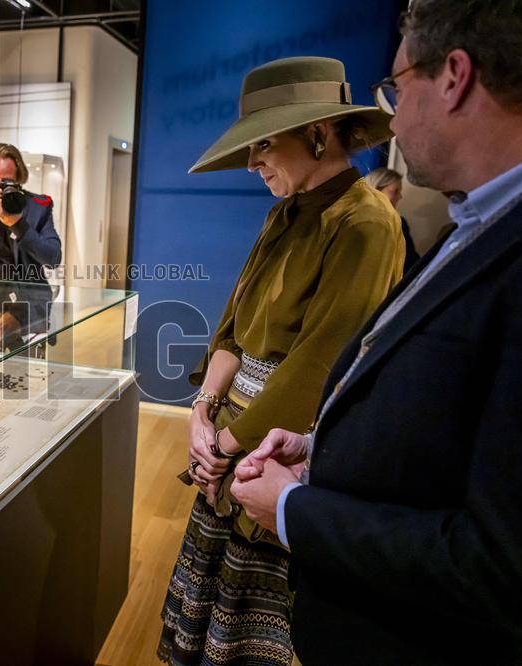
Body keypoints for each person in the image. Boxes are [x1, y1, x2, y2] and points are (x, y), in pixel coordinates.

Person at [230, 1, 522, 664]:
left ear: (453, 76)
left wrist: (293, 509)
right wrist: (320, 442)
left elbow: (507, 561)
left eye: (398, 87)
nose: (392, 118)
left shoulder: (383, 225)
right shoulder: (478, 225)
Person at [159, 57, 405, 666]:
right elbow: (233, 328)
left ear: (318, 134)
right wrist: (203, 412)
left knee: (251, 632)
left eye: (264, 144)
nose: (252, 163)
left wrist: (226, 447)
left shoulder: (366, 223)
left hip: (271, 451)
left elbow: (321, 362)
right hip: (226, 442)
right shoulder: (283, 213)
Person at [0, 143, 61, 350]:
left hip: (29, 306)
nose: (2, 187)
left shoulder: (38, 207)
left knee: (25, 375)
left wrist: (18, 225)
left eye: (7, 182)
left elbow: (54, 258)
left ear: (19, 179)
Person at [366, 166, 421, 275]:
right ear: (376, 190)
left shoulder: (398, 223)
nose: (400, 196)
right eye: (395, 191)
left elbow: (410, 262)